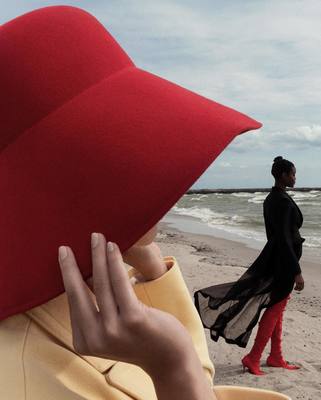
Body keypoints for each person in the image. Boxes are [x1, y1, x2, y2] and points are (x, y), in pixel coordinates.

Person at [0, 5, 291, 400]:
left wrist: (154, 274)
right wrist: (171, 366)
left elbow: (200, 379)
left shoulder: (84, 289)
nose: (169, 181)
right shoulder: (31, 376)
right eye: (131, 153)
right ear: (70, 181)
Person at [194, 156, 305, 376]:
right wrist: (296, 271)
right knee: (275, 311)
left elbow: (272, 235)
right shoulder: (281, 201)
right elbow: (283, 239)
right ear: (282, 175)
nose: (295, 177)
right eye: (292, 173)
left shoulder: (271, 198)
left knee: (278, 310)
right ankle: (253, 358)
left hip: (277, 259)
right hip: (283, 264)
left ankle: (275, 357)